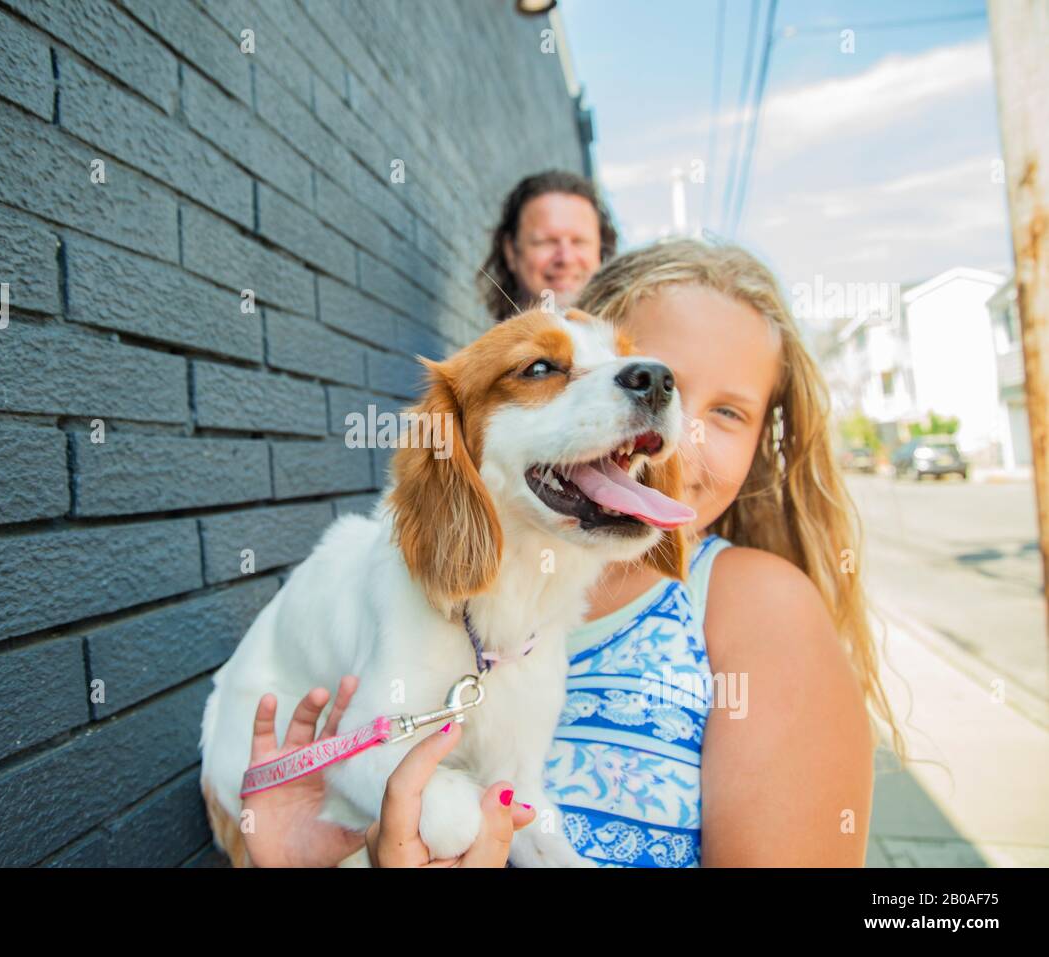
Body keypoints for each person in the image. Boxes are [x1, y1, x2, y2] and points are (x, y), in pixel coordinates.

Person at [237, 238, 904, 867]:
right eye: (639, 371)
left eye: (730, 413)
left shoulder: (757, 606)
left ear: (763, 439)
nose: (679, 434)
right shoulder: (431, 594)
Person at [477, 170, 617, 321]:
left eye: (579, 241)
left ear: (601, 250)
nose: (565, 258)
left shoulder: (638, 341)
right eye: (547, 241)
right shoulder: (485, 345)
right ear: (510, 251)